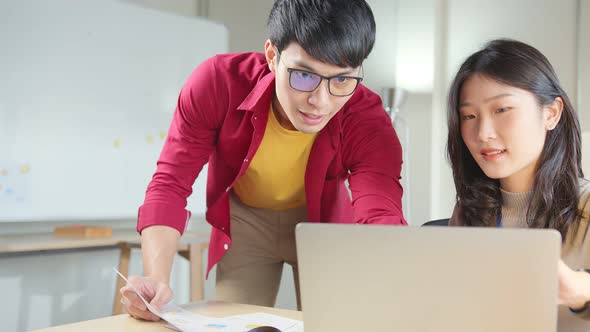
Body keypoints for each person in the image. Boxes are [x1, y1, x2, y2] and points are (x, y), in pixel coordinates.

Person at [120, 0, 406, 321]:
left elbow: (380, 212)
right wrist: (156, 279)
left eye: (341, 80)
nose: (319, 102)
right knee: (233, 324)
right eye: (303, 75)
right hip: (246, 220)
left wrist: (390, 286)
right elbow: (171, 183)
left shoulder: (366, 117)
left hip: (322, 224)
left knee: (333, 323)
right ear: (272, 56)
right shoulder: (217, 83)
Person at [446, 38, 590, 330]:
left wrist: (580, 290)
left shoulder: (585, 205)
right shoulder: (470, 211)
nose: (483, 133)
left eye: (502, 110)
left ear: (551, 113)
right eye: (469, 116)